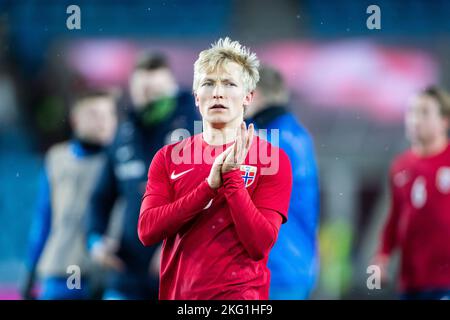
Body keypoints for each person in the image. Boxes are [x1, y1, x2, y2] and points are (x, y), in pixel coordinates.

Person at [138, 37, 293, 300]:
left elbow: (260, 244)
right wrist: (208, 188)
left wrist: (231, 177)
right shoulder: (169, 157)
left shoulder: (271, 159)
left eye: (229, 84)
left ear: (248, 96)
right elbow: (147, 230)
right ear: (197, 97)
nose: (218, 92)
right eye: (208, 83)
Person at [86, 52, 198, 300]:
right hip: (128, 269)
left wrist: (179, 244)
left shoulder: (196, 128)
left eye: (155, 91)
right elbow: (101, 196)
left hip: (182, 271)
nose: (148, 98)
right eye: (142, 91)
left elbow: (210, 197)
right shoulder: (124, 132)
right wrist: (96, 240)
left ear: (170, 86)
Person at [22, 90, 117, 299]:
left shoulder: (121, 161)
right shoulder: (56, 159)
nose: (103, 122)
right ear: (75, 120)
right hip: (60, 270)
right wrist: (30, 271)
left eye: (109, 114)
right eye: (94, 114)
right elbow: (44, 217)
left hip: (105, 275)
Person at [245, 65, 320, 299]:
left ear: (254, 95)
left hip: (276, 267)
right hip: (296, 262)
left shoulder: (269, 141)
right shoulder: (297, 135)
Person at [374, 86, 450, 300]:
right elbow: (395, 217)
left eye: (424, 112)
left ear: (445, 121)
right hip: (410, 281)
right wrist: (383, 255)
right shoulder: (401, 166)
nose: (415, 120)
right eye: (411, 112)